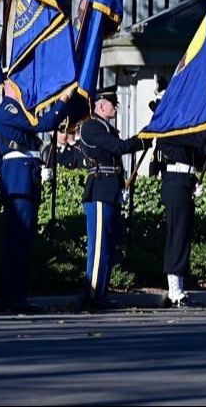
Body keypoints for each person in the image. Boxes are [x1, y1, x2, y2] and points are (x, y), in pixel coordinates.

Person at [0, 83, 73, 313]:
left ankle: (16, 295)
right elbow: (43, 124)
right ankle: (12, 297)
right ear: (10, 88)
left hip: (24, 175)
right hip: (19, 177)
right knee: (18, 241)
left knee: (22, 241)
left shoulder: (17, 109)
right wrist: (62, 102)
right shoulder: (9, 108)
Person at [77, 87, 150, 310]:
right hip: (99, 190)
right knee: (99, 247)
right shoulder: (91, 127)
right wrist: (142, 139)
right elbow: (117, 148)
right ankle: (92, 295)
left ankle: (102, 293)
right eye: (112, 103)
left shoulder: (108, 128)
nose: (116, 107)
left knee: (108, 246)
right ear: (100, 105)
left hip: (111, 190)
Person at [152, 121, 206, 308]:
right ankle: (174, 290)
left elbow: (197, 151)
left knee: (183, 236)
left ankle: (179, 288)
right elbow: (197, 140)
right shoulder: (168, 129)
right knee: (177, 236)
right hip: (175, 182)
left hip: (185, 181)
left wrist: (194, 179)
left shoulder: (180, 129)